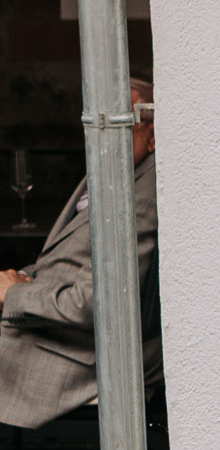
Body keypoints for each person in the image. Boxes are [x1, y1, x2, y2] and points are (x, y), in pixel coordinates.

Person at [0, 81, 162, 429]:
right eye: (97, 121)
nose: (103, 134)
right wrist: (15, 281)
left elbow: (98, 302)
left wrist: (15, 294)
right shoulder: (112, 173)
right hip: (43, 326)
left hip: (71, 354)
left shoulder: (141, 200)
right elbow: (64, 264)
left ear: (152, 136)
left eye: (122, 122)